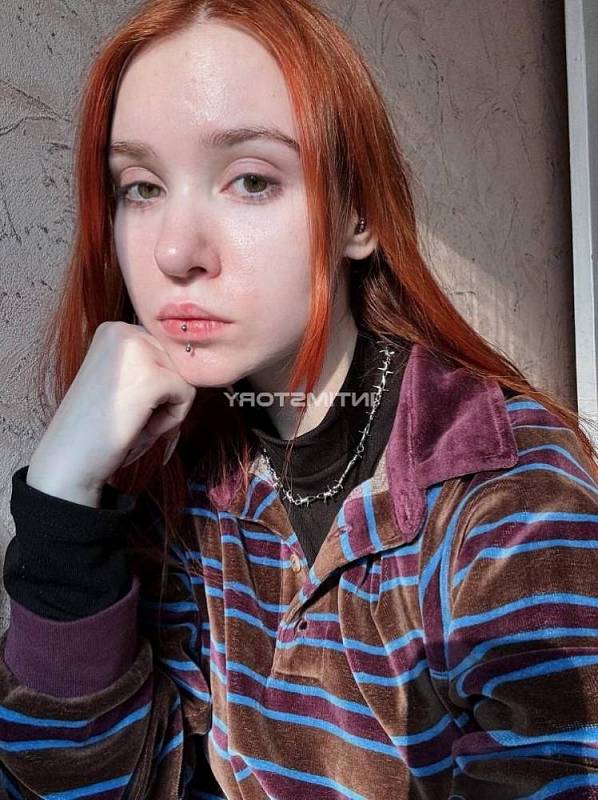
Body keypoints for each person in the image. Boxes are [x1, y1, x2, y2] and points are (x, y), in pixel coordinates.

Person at [1, 0, 597, 798]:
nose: (174, 250)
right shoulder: (185, 475)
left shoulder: (507, 499)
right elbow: (75, 783)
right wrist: (63, 505)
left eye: (251, 179)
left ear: (358, 213)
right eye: (141, 187)